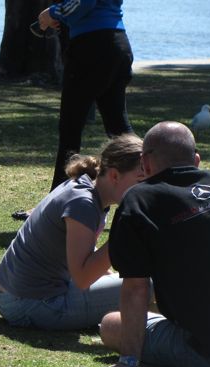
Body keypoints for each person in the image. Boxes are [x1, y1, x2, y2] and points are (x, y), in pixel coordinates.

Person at [95, 122, 210, 367]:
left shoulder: (139, 201)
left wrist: (129, 361)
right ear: (196, 159)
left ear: (145, 164)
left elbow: (135, 288)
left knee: (110, 324)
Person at [0, 134, 144, 330]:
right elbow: (82, 278)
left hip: (11, 294)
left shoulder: (87, 188)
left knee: (140, 280)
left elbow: (83, 251)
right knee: (147, 284)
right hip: (30, 303)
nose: (146, 189)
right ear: (115, 176)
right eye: (141, 180)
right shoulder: (83, 203)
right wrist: (124, 235)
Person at [13, 1, 135, 222]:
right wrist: (64, 17)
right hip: (117, 44)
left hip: (92, 48)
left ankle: (54, 205)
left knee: (70, 130)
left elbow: (82, 2)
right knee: (120, 130)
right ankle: (150, 192)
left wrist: (51, 13)